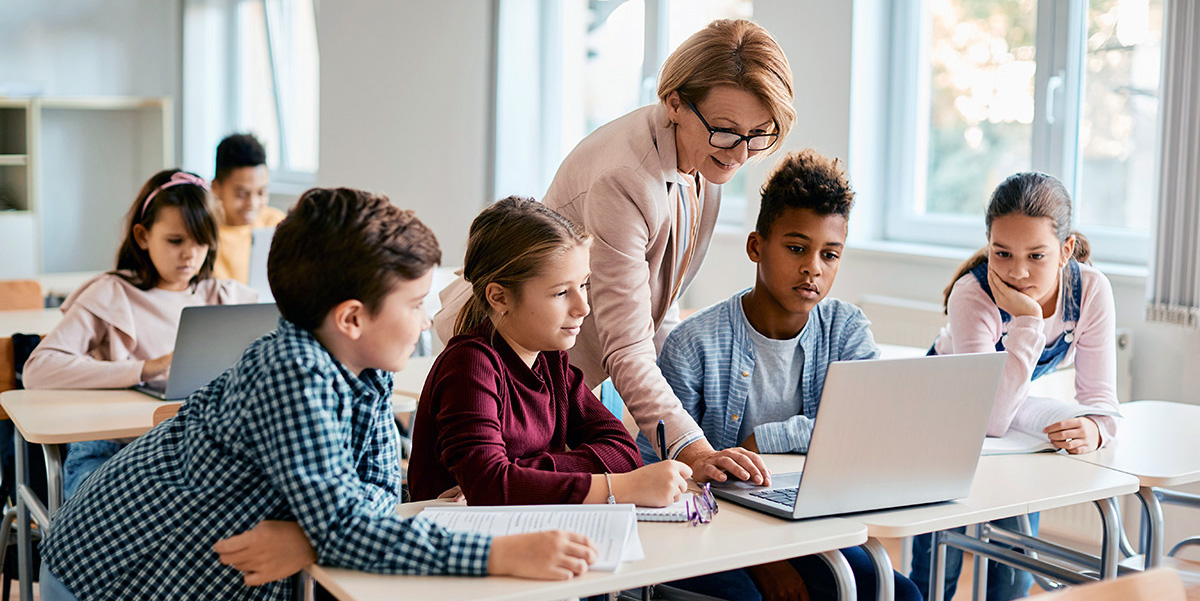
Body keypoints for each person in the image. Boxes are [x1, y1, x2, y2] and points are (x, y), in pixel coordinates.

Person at [36, 188, 599, 601]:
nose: (429, 319)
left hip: (201, 575)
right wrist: (502, 553)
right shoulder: (292, 372)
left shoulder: (367, 369)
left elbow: (376, 499)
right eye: (413, 303)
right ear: (352, 318)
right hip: (111, 575)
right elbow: (352, 525)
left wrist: (317, 539)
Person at [437, 19, 795, 486]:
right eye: (727, 131)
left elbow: (656, 315)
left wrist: (692, 435)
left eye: (759, 134)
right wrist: (692, 446)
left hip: (562, 375)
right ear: (675, 103)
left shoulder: (706, 161)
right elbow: (628, 343)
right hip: (506, 361)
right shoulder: (626, 177)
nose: (740, 153)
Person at [654, 150, 921, 601]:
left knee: (901, 593)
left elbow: (870, 427)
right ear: (757, 246)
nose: (813, 267)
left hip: (806, 523)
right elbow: (658, 471)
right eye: (797, 248)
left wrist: (766, 439)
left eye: (829, 254)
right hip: (711, 529)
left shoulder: (846, 328)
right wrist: (762, 560)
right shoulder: (693, 345)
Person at [910, 172, 1120, 600]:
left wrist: (1098, 428)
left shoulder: (1091, 291)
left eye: (1037, 256)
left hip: (1006, 413)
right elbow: (987, 416)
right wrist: (1027, 320)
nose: (1018, 271)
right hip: (946, 408)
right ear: (988, 244)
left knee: (1012, 565)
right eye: (1002, 253)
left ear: (1065, 251)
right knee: (937, 567)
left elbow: (1100, 397)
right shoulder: (973, 294)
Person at [409, 196, 691, 507]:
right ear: (499, 298)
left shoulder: (550, 360)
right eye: (561, 292)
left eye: (583, 285)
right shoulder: (470, 365)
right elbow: (490, 486)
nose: (583, 307)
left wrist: (518, 476)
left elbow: (623, 451)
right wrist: (618, 488)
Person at [24, 168, 257, 497]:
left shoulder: (227, 297)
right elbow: (38, 370)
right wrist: (146, 368)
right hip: (112, 451)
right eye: (175, 241)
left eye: (201, 242)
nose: (190, 254)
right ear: (143, 236)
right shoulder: (109, 293)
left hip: (192, 452)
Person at [210, 133, 285, 283]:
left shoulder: (276, 223)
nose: (253, 203)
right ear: (216, 188)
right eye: (242, 194)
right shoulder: (204, 233)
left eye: (261, 192)